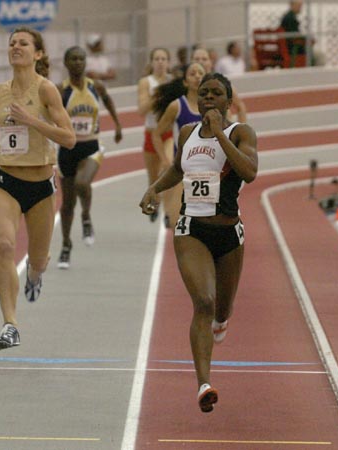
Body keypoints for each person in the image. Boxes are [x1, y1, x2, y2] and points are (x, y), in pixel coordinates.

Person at [139, 72, 258, 413]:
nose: (208, 97)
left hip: (229, 233)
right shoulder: (188, 132)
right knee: (203, 302)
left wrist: (220, 131)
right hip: (191, 229)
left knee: (222, 309)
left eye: (216, 93)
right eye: (204, 92)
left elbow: (249, 172)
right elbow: (178, 168)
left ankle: (222, 321)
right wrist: (154, 188)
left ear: (228, 101)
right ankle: (204, 383)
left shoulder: (241, 132)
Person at [0, 27, 75, 350]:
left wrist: (32, 121)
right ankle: (10, 324)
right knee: (6, 246)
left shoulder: (47, 91)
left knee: (37, 258)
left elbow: (69, 138)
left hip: (40, 186)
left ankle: (36, 275)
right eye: (12, 43)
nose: (15, 47)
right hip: (6, 181)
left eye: (23, 43)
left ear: (37, 54)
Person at [55, 46, 123, 269]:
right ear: (66, 63)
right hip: (67, 150)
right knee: (67, 204)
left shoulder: (96, 86)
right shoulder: (60, 91)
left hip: (91, 146)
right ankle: (66, 245)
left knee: (83, 182)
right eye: (73, 59)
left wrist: (118, 124)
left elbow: (109, 100)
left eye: (81, 59)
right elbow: (47, 113)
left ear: (85, 62)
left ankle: (86, 218)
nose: (77, 62)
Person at [151, 62, 205, 229]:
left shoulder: (212, 106)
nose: (197, 76)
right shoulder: (177, 106)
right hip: (183, 169)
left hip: (206, 170)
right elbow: (156, 134)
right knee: (178, 224)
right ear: (185, 82)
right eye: (192, 74)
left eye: (200, 73)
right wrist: (165, 160)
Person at [137, 47, 172, 223]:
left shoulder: (174, 81)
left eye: (163, 58)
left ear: (168, 62)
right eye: (157, 59)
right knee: (153, 177)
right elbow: (142, 110)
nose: (160, 62)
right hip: (151, 132)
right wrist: (157, 95)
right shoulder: (146, 82)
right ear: (151, 62)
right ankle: (155, 203)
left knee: (167, 167)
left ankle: (168, 212)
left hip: (169, 133)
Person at [192, 47, 247, 123]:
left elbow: (240, 106)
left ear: (211, 62)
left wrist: (241, 130)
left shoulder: (222, 83)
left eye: (204, 59)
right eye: (197, 59)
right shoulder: (187, 86)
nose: (200, 62)